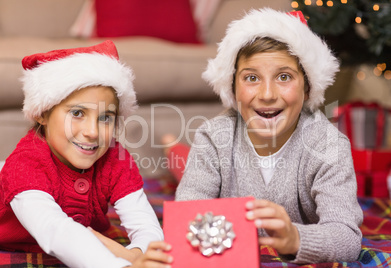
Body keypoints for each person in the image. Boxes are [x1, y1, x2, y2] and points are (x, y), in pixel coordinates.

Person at [173, 8, 363, 264]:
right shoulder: (213, 137)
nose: (267, 94)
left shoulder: (328, 144)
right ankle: (170, 147)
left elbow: (347, 239)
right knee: (180, 162)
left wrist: (295, 238)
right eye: (251, 78)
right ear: (232, 88)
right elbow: (187, 218)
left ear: (307, 88)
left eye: (284, 77)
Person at [0, 41, 172, 268]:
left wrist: (140, 253)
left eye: (105, 117)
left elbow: (145, 224)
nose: (92, 132)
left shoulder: (114, 157)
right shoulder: (26, 165)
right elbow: (56, 231)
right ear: (42, 113)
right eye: (78, 113)